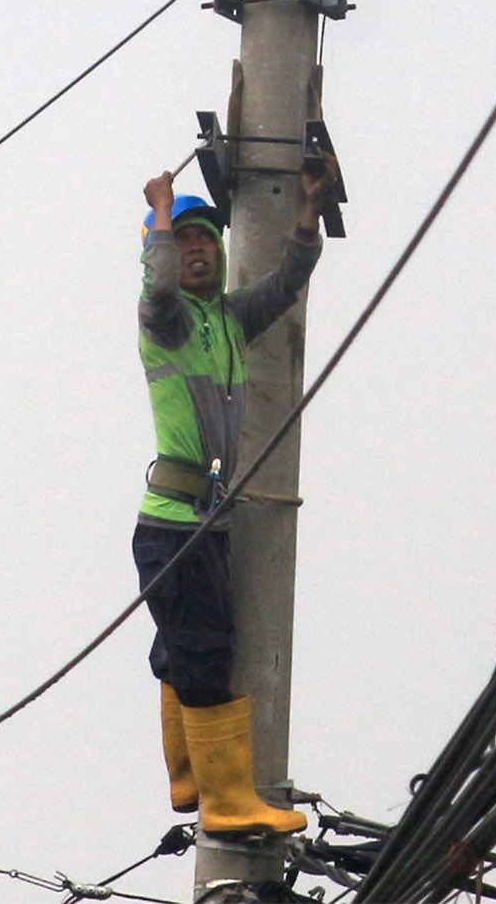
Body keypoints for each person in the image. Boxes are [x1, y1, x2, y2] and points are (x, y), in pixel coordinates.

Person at [135, 160, 334, 836]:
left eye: (206, 238)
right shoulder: (165, 319)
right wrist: (161, 211)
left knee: (187, 644)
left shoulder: (226, 318)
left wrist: (307, 212)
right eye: (185, 239)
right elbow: (158, 284)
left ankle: (189, 773)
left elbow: (285, 283)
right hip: (174, 523)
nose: (197, 248)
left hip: (202, 522)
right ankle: (226, 802)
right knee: (203, 650)